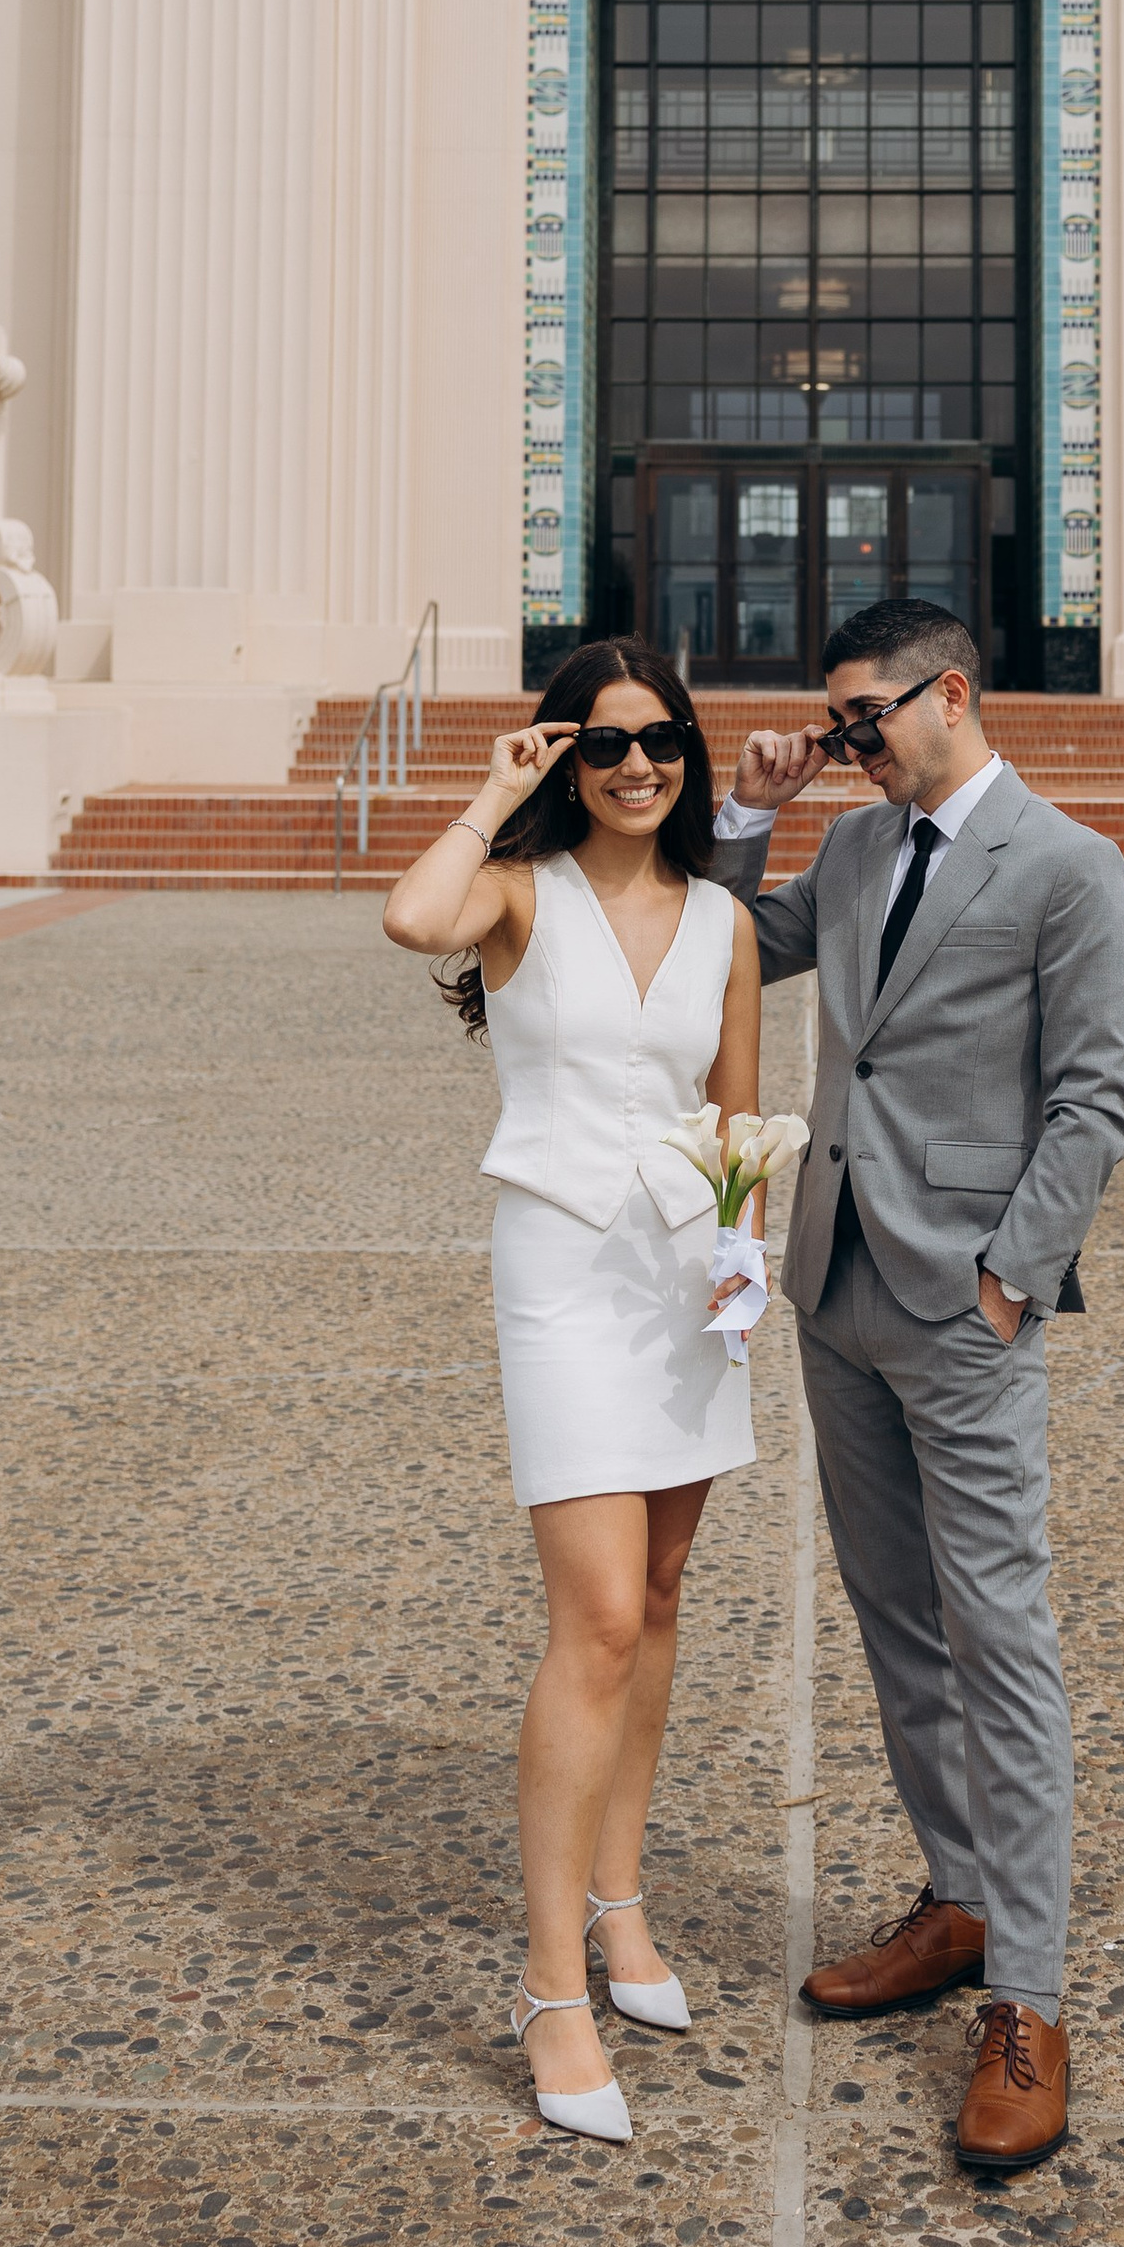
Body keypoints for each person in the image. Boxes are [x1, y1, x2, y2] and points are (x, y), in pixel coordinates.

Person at [714, 596, 1124, 2174]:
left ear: (946, 693)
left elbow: (1097, 1095)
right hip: (835, 1291)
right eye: (832, 724)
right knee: (897, 1618)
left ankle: (1026, 1994)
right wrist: (757, 805)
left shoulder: (1067, 865)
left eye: (856, 719)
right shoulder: (851, 852)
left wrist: (1009, 1277)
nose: (846, 743)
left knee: (999, 1633)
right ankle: (958, 1897)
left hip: (965, 1309)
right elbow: (719, 953)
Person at [382, 639, 765, 2149]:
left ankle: (623, 1905)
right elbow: (412, 911)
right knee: (597, 1614)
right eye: (601, 744)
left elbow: (737, 1110)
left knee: (663, 1594)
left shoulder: (726, 916)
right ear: (564, 754)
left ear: (688, 749)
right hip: (559, 1269)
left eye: (660, 738)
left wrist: (741, 1264)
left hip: (686, 1282)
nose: (634, 766)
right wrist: (496, 787)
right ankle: (552, 1982)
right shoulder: (516, 896)